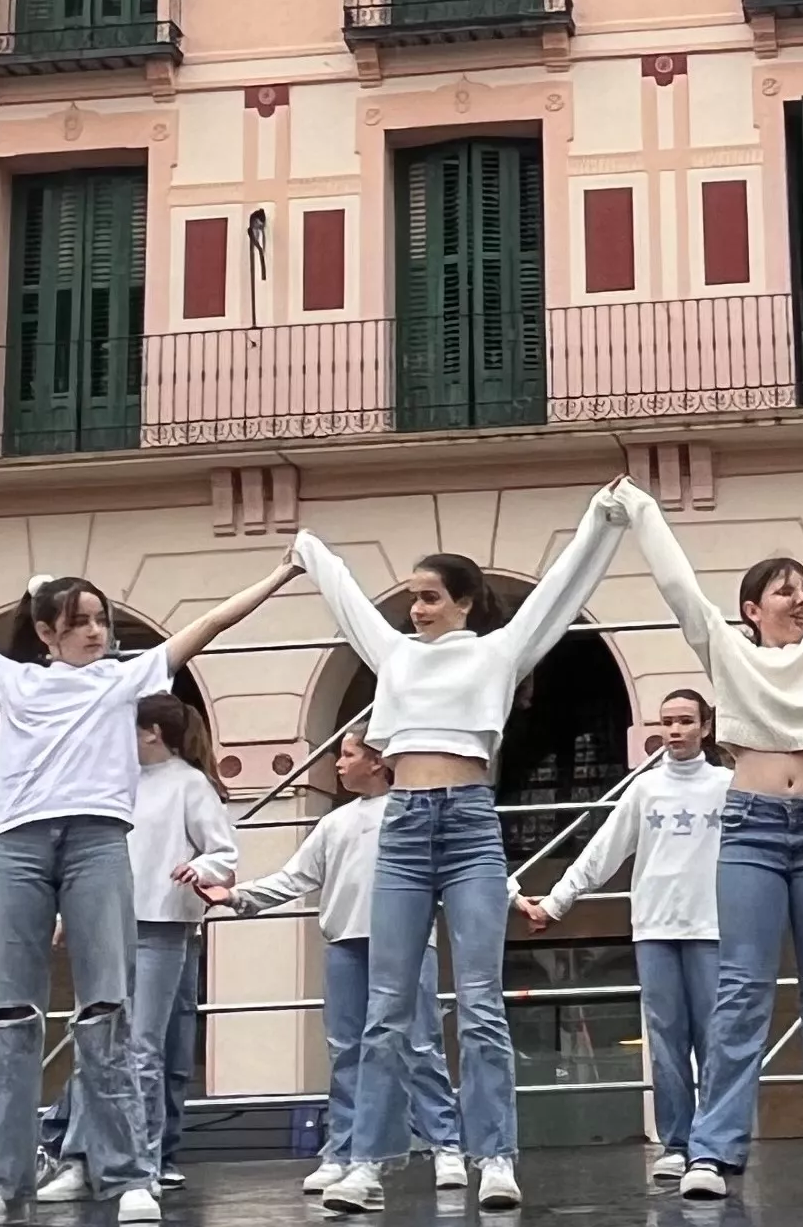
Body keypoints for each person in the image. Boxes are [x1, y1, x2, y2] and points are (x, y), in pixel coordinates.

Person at [0, 547, 300, 1227]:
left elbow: (209, 625)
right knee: (12, 1015)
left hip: (97, 841)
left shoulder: (125, 678)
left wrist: (283, 572)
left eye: (101, 620)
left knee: (107, 1008)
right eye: (80, 621)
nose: (96, 631)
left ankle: (127, 1174)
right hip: (21, 844)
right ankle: (4, 1182)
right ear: (48, 631)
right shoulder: (11, 678)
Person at [295, 487, 632, 1214]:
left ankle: (496, 1159)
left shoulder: (498, 652)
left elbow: (561, 590)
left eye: (429, 597)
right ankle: (367, 1165)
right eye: (413, 597)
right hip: (407, 826)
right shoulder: (394, 655)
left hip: (472, 823)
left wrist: (601, 521)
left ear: (465, 602)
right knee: (387, 1008)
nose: (415, 608)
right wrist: (310, 549)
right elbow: (348, 599)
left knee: (480, 1002)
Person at [612, 450, 803, 1200]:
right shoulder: (725, 651)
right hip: (749, 827)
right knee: (742, 994)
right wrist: (641, 509)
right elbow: (679, 585)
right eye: (786, 591)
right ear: (752, 609)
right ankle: (713, 1153)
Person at [203, 730, 465, 1196]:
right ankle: (342, 1149)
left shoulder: (413, 813)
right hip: (345, 944)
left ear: (377, 761)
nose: (338, 765)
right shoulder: (335, 824)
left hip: (405, 947)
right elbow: (295, 877)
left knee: (420, 1045)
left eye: (347, 755)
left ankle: (445, 1144)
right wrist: (239, 897)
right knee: (347, 1050)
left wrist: (508, 895)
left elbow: (460, 865)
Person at [517, 689, 731, 1182]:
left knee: (716, 1039)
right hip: (654, 928)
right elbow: (602, 852)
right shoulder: (645, 789)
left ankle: (713, 1143)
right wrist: (556, 903)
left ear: (705, 727)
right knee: (665, 1038)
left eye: (685, 721)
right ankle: (676, 1143)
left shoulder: (728, 785)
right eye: (668, 721)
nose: (675, 730)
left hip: (712, 926)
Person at [98, 695, 236, 1191]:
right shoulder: (118, 781)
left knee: (144, 1048)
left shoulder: (189, 784)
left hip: (162, 924)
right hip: (113, 923)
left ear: (151, 731)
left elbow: (223, 852)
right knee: (116, 1042)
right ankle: (121, 1155)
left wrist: (197, 867)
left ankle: (145, 1160)